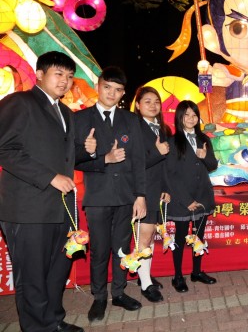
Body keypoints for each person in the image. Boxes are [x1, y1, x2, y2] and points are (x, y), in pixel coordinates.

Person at [0, 51, 95, 332]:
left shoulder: (65, 112)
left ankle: (53, 321)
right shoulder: (19, 102)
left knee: (56, 271)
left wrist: (87, 152)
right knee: (32, 276)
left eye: (69, 76)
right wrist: (50, 177)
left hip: (60, 208)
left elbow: (63, 157)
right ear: (39, 74)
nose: (65, 81)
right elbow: (4, 149)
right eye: (58, 74)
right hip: (27, 208)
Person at [74, 66, 147, 322]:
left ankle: (118, 292)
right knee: (99, 250)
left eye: (117, 90)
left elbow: (139, 160)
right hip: (97, 197)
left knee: (121, 248)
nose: (111, 94)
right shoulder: (81, 119)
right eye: (107, 87)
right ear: (98, 86)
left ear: (123, 93)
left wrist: (140, 195)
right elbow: (73, 160)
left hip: (126, 196)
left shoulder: (131, 120)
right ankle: (99, 297)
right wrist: (96, 155)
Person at [166, 100, 218, 293]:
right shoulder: (172, 141)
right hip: (183, 199)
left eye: (194, 115)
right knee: (180, 237)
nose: (190, 118)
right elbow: (170, 174)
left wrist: (205, 156)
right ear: (179, 117)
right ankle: (177, 276)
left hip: (203, 195)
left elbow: (212, 165)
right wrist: (186, 200)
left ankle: (196, 272)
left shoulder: (204, 138)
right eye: (186, 115)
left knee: (199, 236)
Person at [133, 86, 172, 303]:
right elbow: (134, 164)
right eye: (147, 101)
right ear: (138, 105)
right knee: (144, 237)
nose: (153, 105)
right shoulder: (134, 128)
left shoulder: (162, 129)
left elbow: (164, 164)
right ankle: (146, 284)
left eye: (156, 101)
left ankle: (144, 275)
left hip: (157, 190)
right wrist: (157, 152)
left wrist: (166, 188)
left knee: (149, 236)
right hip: (141, 190)